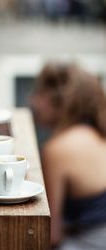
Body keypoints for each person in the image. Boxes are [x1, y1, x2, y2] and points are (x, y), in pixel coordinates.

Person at [31, 62, 106, 250]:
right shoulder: (98, 133)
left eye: (39, 93)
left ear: (60, 100)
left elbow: (51, 234)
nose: (32, 100)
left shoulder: (57, 149)